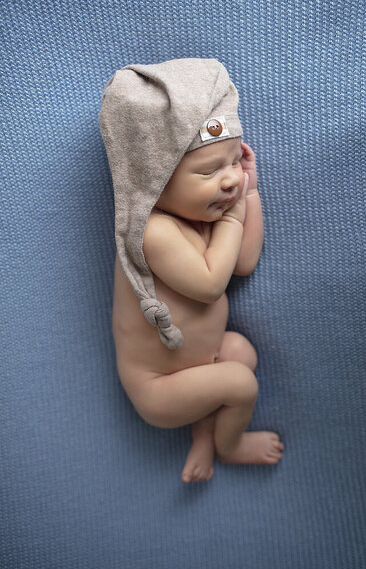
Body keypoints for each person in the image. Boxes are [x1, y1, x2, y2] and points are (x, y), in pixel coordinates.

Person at [99, 58, 284, 483]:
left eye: (233, 161)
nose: (229, 181)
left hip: (199, 366)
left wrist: (250, 196)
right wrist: (233, 220)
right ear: (156, 180)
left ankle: (204, 433)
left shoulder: (202, 216)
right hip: (160, 388)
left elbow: (242, 262)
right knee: (240, 382)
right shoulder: (152, 233)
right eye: (208, 171)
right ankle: (230, 446)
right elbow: (209, 283)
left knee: (241, 352)